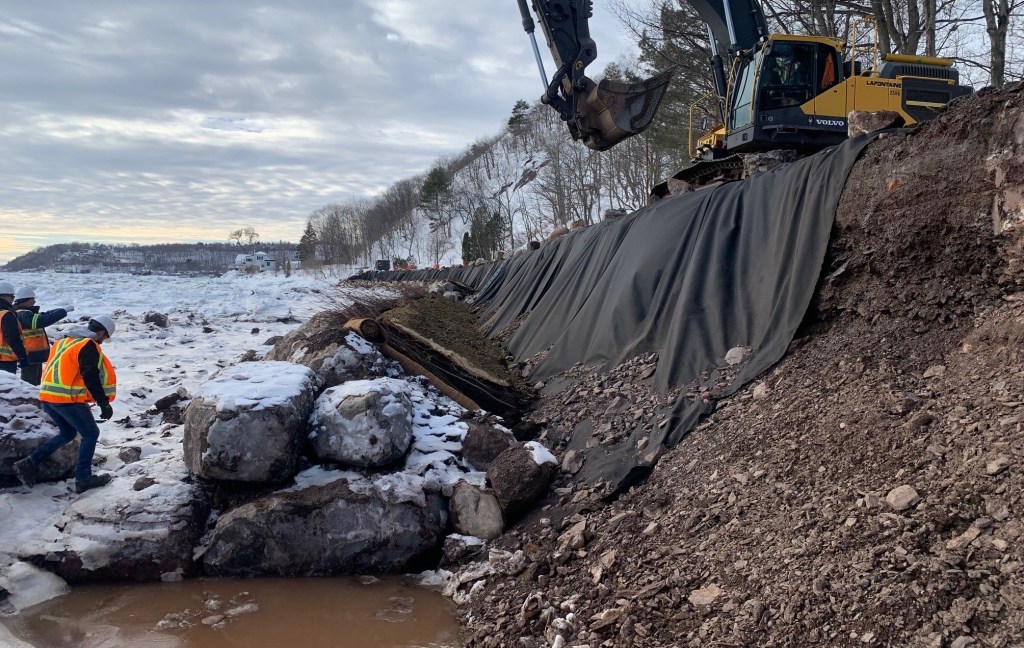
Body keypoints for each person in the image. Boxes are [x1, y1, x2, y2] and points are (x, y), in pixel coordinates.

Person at [14, 315, 118, 494]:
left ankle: (29, 463)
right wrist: (103, 403)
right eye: (105, 338)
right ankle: (83, 478)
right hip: (66, 400)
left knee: (68, 433)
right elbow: (90, 375)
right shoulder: (87, 345)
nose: (103, 342)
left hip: (47, 396)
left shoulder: (64, 342)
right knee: (91, 434)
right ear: (101, 332)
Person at [13, 287, 74, 385]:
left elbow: (45, 315)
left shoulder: (27, 313)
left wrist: (62, 310)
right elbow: (42, 320)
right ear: (25, 300)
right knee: (29, 384)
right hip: (30, 355)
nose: (34, 301)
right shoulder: (23, 315)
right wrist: (63, 312)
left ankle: (33, 399)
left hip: (34, 355)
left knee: (35, 383)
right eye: (32, 299)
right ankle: (28, 400)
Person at [0, 281, 29, 375]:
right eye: (11, 296)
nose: (13, 299)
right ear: (3, 296)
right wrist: (22, 356)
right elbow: (13, 338)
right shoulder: (6, 314)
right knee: (6, 387)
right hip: (5, 361)